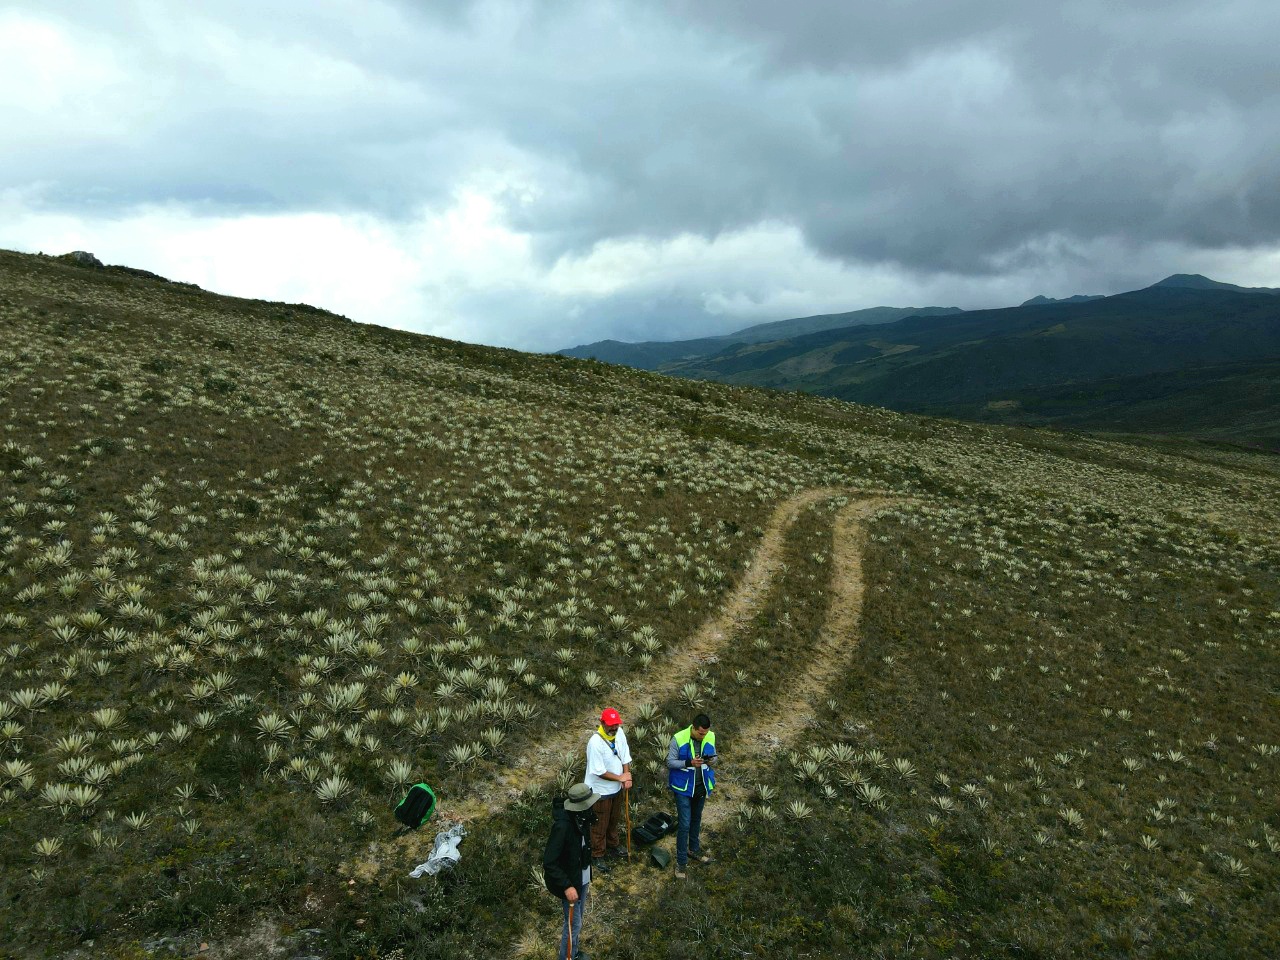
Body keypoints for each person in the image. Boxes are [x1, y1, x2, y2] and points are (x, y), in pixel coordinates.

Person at [543, 782, 599, 960]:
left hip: (581, 880)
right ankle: (566, 957)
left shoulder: (582, 819)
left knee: (577, 922)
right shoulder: (562, 827)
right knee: (573, 925)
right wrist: (567, 886)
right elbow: (550, 862)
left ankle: (573, 953)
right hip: (571, 884)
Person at [667, 712, 717, 879]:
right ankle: (681, 862)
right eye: (701, 733)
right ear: (693, 728)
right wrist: (689, 763)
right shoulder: (678, 738)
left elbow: (715, 757)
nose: (704, 736)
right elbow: (670, 762)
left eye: (706, 733)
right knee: (684, 824)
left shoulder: (710, 736)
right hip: (683, 789)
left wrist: (711, 761)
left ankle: (693, 849)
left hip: (701, 787)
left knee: (696, 820)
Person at [584, 706, 632, 868]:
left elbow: (625, 756)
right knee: (599, 824)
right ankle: (597, 853)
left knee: (614, 819)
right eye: (610, 724)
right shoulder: (595, 743)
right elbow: (599, 771)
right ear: (602, 722)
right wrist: (620, 777)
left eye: (616, 724)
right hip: (600, 791)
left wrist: (626, 777)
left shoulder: (620, 733)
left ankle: (613, 845)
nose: (613, 727)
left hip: (616, 788)